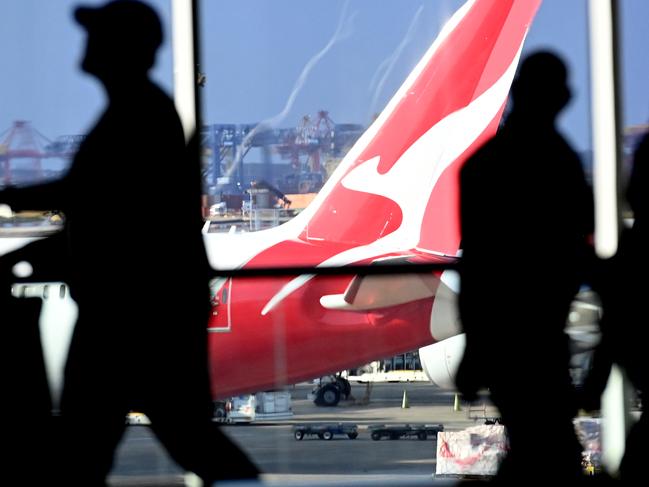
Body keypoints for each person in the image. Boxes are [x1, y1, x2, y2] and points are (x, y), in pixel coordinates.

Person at [0, 1, 258, 484]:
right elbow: (98, 212)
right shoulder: (141, 113)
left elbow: (93, 205)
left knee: (97, 442)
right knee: (173, 437)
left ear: (121, 49)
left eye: (98, 34)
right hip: (144, 314)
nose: (87, 43)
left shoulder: (134, 118)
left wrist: (14, 215)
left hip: (127, 318)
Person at [455, 51, 594, 482]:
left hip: (504, 337)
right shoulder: (564, 164)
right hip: (541, 332)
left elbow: (477, 269)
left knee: (535, 440)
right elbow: (580, 251)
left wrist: (474, 350)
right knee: (551, 447)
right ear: (562, 98)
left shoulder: (482, 168)